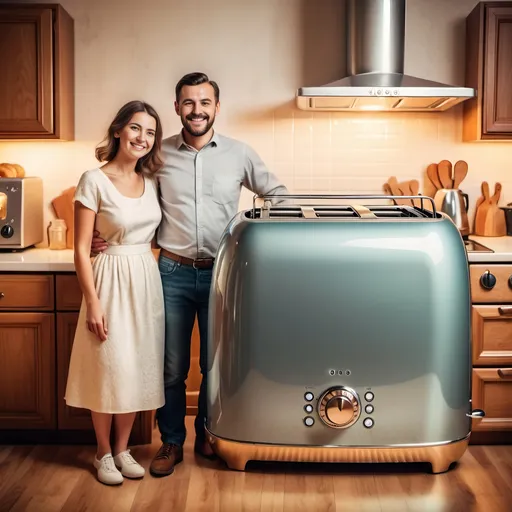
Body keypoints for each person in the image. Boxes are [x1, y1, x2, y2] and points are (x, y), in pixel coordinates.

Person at [91, 72, 289, 478]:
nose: (196, 110)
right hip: (170, 273)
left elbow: (279, 196)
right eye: (188, 102)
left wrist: (258, 236)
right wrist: (100, 232)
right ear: (177, 106)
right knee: (172, 366)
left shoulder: (240, 154)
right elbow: (120, 191)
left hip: (225, 276)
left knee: (217, 364)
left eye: (205, 102)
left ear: (217, 107)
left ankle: (208, 433)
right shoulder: (157, 156)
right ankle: (171, 442)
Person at [65, 100, 166, 486]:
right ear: (119, 130)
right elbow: (79, 247)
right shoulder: (93, 179)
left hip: (145, 278)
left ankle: (123, 449)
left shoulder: (152, 183)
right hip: (108, 281)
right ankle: (102, 453)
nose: (143, 138)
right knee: (108, 366)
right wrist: (93, 302)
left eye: (151, 132)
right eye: (137, 128)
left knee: (135, 367)